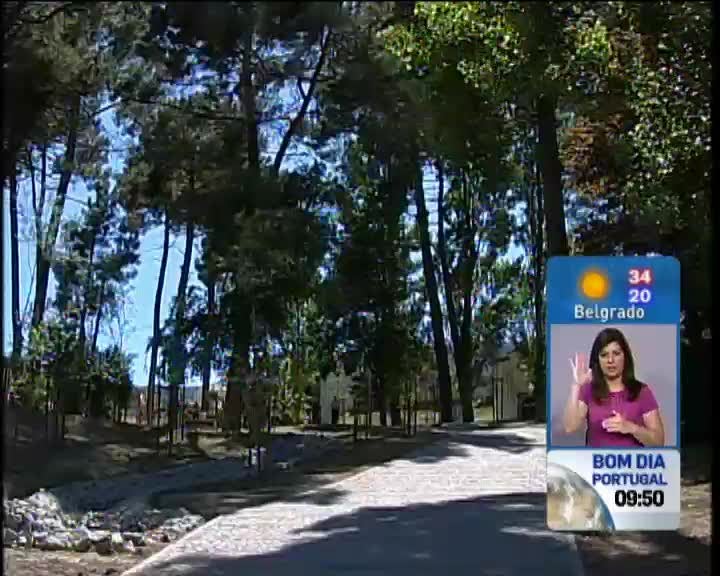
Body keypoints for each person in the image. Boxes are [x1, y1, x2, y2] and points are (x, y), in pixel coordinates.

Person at [562, 327, 665, 447]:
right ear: (597, 360)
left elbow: (658, 442)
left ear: (625, 357)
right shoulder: (588, 390)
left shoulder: (641, 391)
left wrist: (631, 428)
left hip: (632, 459)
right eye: (604, 355)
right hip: (595, 459)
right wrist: (576, 385)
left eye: (616, 353)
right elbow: (570, 427)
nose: (610, 360)